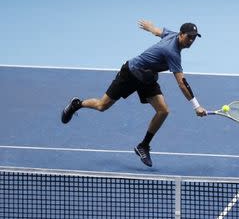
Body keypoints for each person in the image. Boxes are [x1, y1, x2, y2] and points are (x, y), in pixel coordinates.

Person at [61, 20, 207, 167]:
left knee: (163, 111)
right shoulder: (172, 53)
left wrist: (149, 27)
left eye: (194, 38)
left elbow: (158, 31)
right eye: (189, 37)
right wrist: (196, 106)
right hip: (130, 73)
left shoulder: (172, 35)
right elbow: (182, 83)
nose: (191, 40)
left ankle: (143, 146)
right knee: (102, 105)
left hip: (147, 77)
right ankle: (77, 104)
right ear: (181, 34)